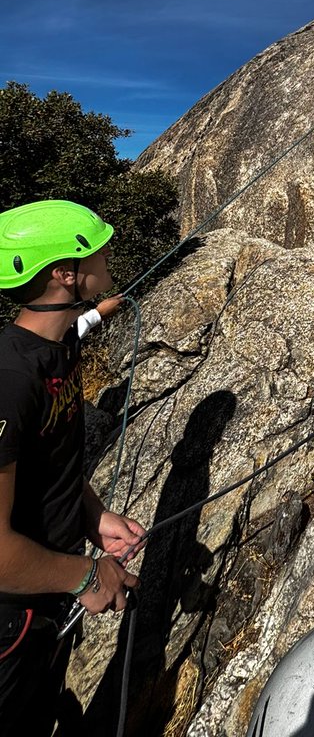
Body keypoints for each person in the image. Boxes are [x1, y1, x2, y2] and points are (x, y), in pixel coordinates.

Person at [0, 199, 145, 735]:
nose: (110, 255)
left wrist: (95, 516)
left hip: (44, 597)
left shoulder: (54, 346)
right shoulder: (11, 381)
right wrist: (87, 574)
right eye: (100, 250)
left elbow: (51, 459)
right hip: (11, 620)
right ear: (65, 274)